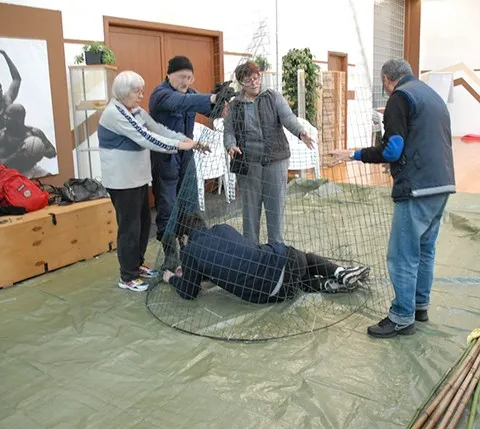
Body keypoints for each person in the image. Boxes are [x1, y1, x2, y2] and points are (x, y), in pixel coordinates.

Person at [330, 58, 455, 339]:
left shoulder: (400, 98)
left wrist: (353, 154)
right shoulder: (431, 95)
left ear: (387, 80)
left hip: (417, 187)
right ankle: (419, 306)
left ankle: (401, 317)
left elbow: (392, 150)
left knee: (402, 255)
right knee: (425, 249)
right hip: (443, 183)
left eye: (384, 83)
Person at [98, 70, 203, 292]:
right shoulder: (114, 114)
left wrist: (185, 139)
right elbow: (146, 137)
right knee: (129, 228)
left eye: (141, 91)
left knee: (144, 223)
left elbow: (158, 129)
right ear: (123, 93)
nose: (141, 96)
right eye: (137, 92)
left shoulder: (136, 111)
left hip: (138, 179)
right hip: (122, 182)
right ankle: (128, 276)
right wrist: (179, 146)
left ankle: (138, 263)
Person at [162, 213, 370, 303]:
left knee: (290, 281)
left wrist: (171, 278)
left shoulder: (190, 251)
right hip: (289, 260)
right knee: (304, 260)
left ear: (184, 237)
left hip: (271, 293)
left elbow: (189, 292)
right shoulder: (222, 228)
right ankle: (339, 273)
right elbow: (232, 257)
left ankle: (327, 284)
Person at [148, 55, 235, 272]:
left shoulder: (192, 93)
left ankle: (191, 251)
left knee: (190, 204)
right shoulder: (160, 95)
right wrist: (212, 97)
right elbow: (182, 102)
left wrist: (220, 100)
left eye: (189, 77)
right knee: (168, 206)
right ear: (169, 75)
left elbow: (212, 113)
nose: (185, 82)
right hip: (165, 157)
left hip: (187, 156)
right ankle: (170, 254)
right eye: (181, 77)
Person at [223, 61, 314, 244]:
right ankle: (251, 251)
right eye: (248, 80)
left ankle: (276, 249)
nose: (254, 83)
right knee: (250, 212)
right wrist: (230, 145)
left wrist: (300, 132)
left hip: (276, 160)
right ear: (241, 83)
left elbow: (288, 117)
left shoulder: (273, 97)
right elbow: (229, 131)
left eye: (256, 78)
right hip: (248, 164)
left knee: (275, 209)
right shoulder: (235, 105)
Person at [0, 103, 57, 178]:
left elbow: (52, 152)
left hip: (32, 170)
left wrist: (37, 150)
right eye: (5, 114)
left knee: (50, 178)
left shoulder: (34, 132)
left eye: (8, 115)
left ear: (19, 119)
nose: (5, 117)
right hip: (12, 174)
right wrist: (18, 154)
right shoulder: (1, 136)